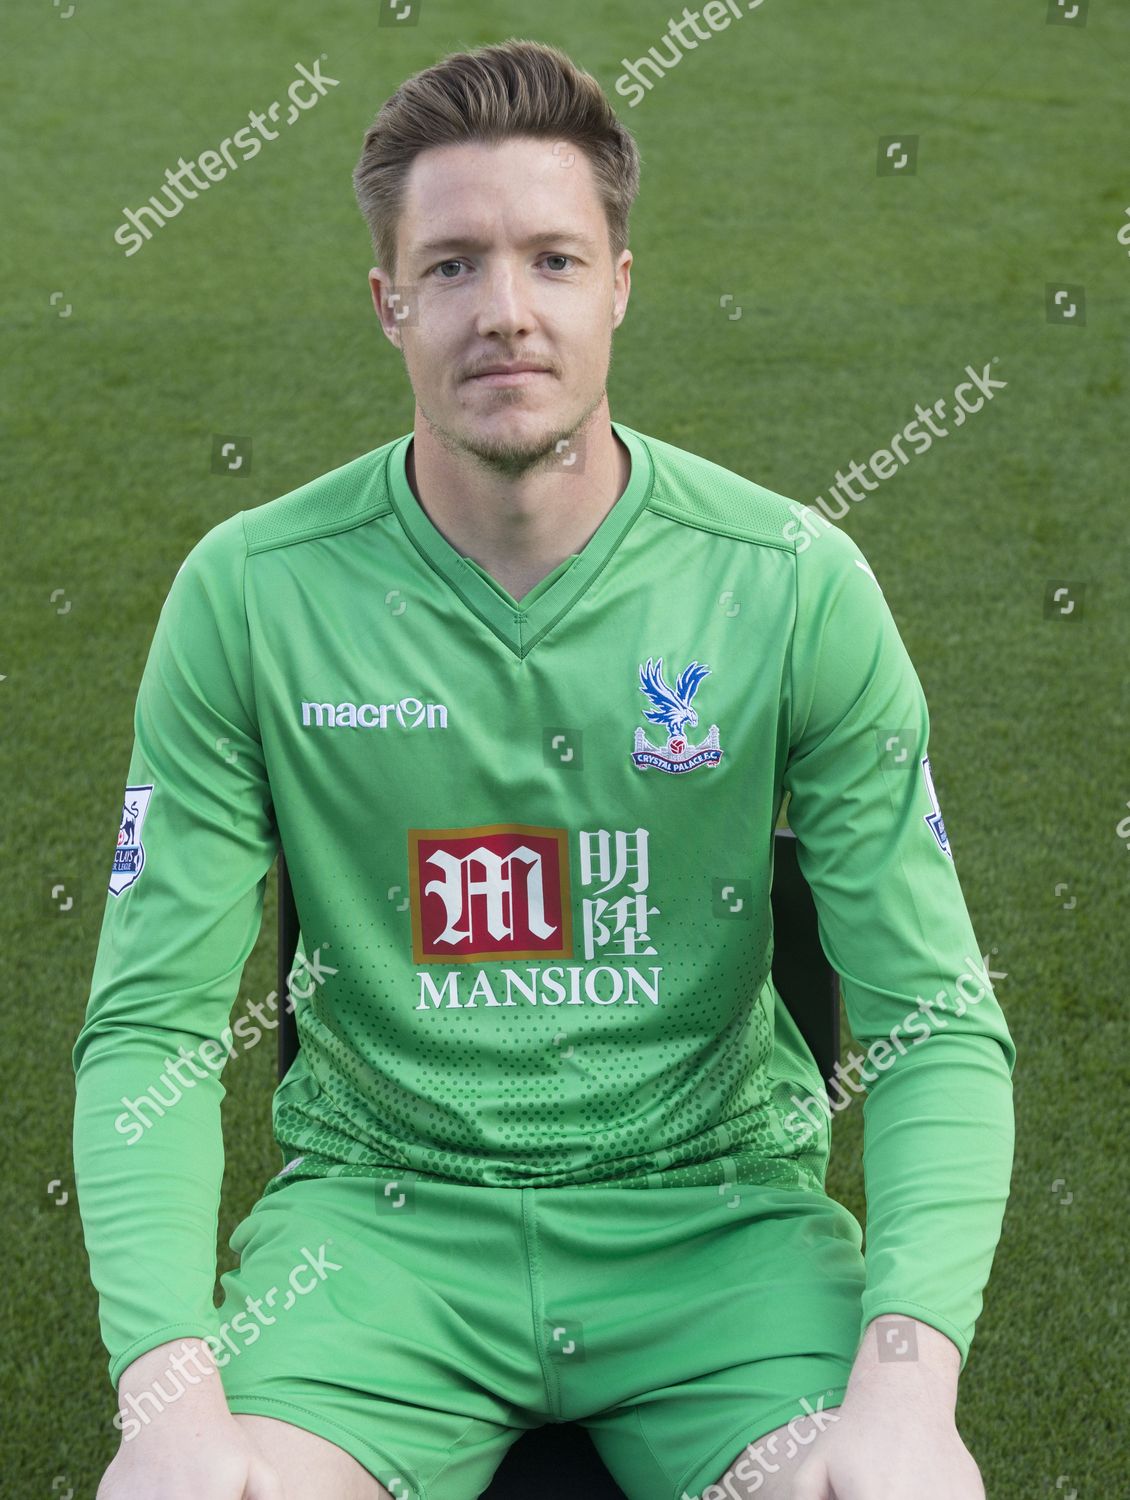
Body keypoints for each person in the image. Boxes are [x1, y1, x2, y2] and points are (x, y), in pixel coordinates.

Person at [74, 37, 1015, 1500]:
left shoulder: (791, 581)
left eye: (553, 260)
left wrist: (905, 1386)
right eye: (451, 266)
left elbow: (934, 1018)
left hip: (717, 1241)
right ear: (387, 302)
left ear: (619, 285)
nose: (503, 313)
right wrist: (169, 1398)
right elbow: (150, 1031)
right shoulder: (249, 594)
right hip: (375, 1247)